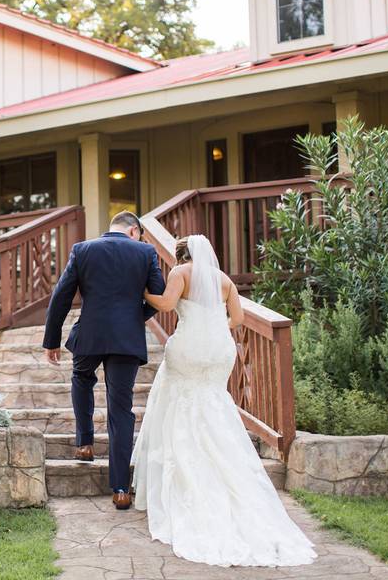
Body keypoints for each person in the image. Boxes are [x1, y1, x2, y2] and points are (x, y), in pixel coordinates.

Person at [132, 234, 317, 567]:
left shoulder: (181, 273)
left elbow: (167, 304)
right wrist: (213, 324)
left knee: (180, 402)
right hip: (218, 349)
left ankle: (184, 473)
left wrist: (142, 291)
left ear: (181, 254)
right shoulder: (225, 280)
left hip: (189, 345)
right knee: (214, 403)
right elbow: (239, 319)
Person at [42, 210, 165, 510]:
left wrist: (52, 340)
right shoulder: (146, 252)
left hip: (90, 336)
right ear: (134, 231)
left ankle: (84, 443)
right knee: (121, 409)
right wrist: (135, 317)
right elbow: (159, 294)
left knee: (81, 379)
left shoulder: (83, 250)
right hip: (126, 339)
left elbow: (60, 296)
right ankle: (121, 489)